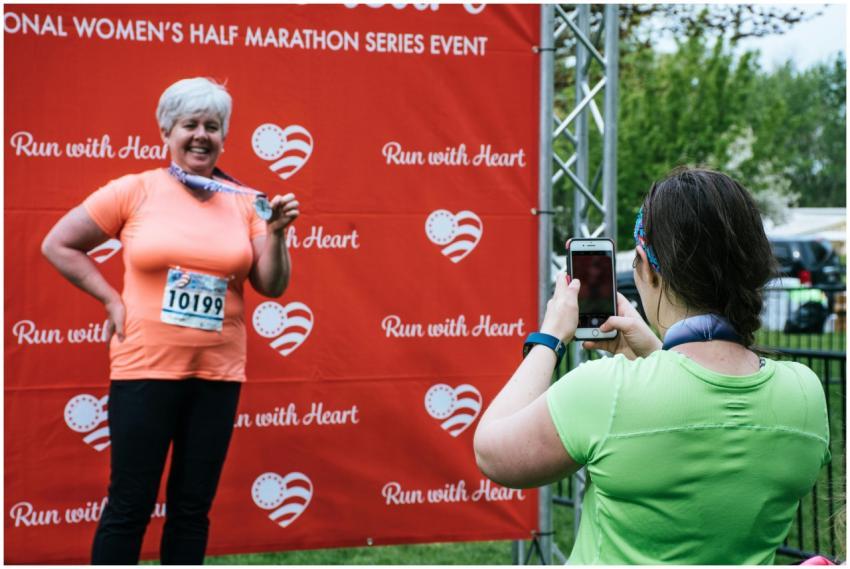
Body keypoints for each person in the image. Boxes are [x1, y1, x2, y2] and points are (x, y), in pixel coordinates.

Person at [473, 167, 830, 564]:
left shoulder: (608, 391)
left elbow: (492, 453)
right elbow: (706, 408)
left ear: (645, 265)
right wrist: (658, 355)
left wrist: (550, 338)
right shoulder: (805, 394)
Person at [41, 77, 299, 564]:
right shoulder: (134, 190)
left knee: (192, 510)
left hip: (217, 374)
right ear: (166, 131)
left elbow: (273, 285)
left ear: (225, 137)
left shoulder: (247, 201)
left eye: (213, 126)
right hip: (144, 368)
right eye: (190, 125)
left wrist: (279, 234)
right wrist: (111, 301)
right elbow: (58, 243)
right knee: (129, 506)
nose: (202, 135)